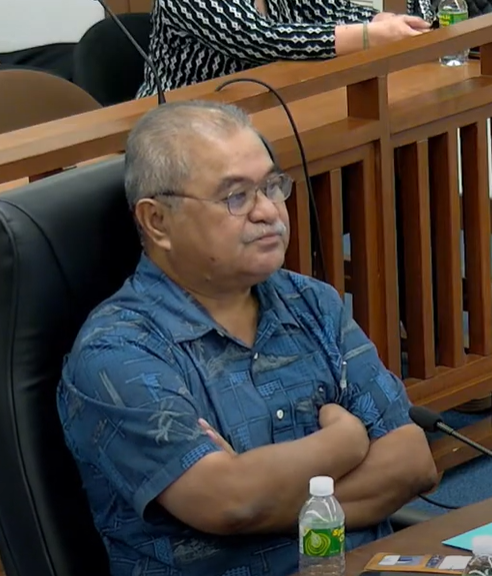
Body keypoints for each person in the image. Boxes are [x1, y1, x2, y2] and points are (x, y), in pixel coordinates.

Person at [57, 100, 438, 576]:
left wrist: (263, 496)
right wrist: (346, 440)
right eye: (236, 196)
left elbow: (411, 462)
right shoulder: (118, 351)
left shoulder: (312, 302)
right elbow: (230, 502)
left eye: (272, 186)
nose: (268, 213)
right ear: (157, 222)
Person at [137, 0, 434, 99]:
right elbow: (259, 39)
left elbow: (322, 8)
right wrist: (368, 36)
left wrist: (375, 19)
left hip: (264, 108)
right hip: (183, 126)